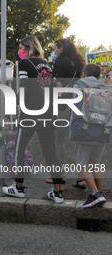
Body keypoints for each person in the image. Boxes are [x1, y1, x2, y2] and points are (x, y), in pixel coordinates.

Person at [2, 36, 63, 203]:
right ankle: (57, 192)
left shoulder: (25, 63)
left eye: (21, 47)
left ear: (28, 48)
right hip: (48, 112)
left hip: (30, 112)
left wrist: (15, 106)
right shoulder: (46, 64)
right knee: (50, 151)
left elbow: (23, 86)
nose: (18, 51)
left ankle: (18, 187)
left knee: (19, 148)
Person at [45, 38, 86, 186]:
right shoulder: (79, 63)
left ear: (61, 48)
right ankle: (82, 177)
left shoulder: (59, 63)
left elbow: (59, 88)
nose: (53, 51)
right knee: (78, 141)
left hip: (62, 105)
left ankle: (59, 174)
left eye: (54, 48)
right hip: (78, 104)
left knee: (58, 141)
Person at [71, 63, 107, 208]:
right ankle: (99, 192)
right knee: (95, 162)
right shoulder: (104, 88)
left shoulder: (79, 85)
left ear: (84, 73)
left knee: (82, 163)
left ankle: (95, 194)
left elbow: (75, 108)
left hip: (84, 131)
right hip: (102, 130)